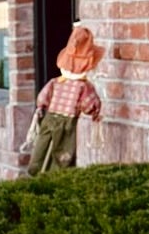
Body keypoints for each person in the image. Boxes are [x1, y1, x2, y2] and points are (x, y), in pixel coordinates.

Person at [21, 23, 105, 174]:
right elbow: (89, 105)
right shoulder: (83, 87)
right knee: (62, 155)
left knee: (42, 144)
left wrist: (41, 107)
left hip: (50, 117)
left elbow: (43, 98)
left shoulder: (55, 82)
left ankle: (36, 169)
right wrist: (95, 112)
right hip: (67, 123)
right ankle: (56, 177)